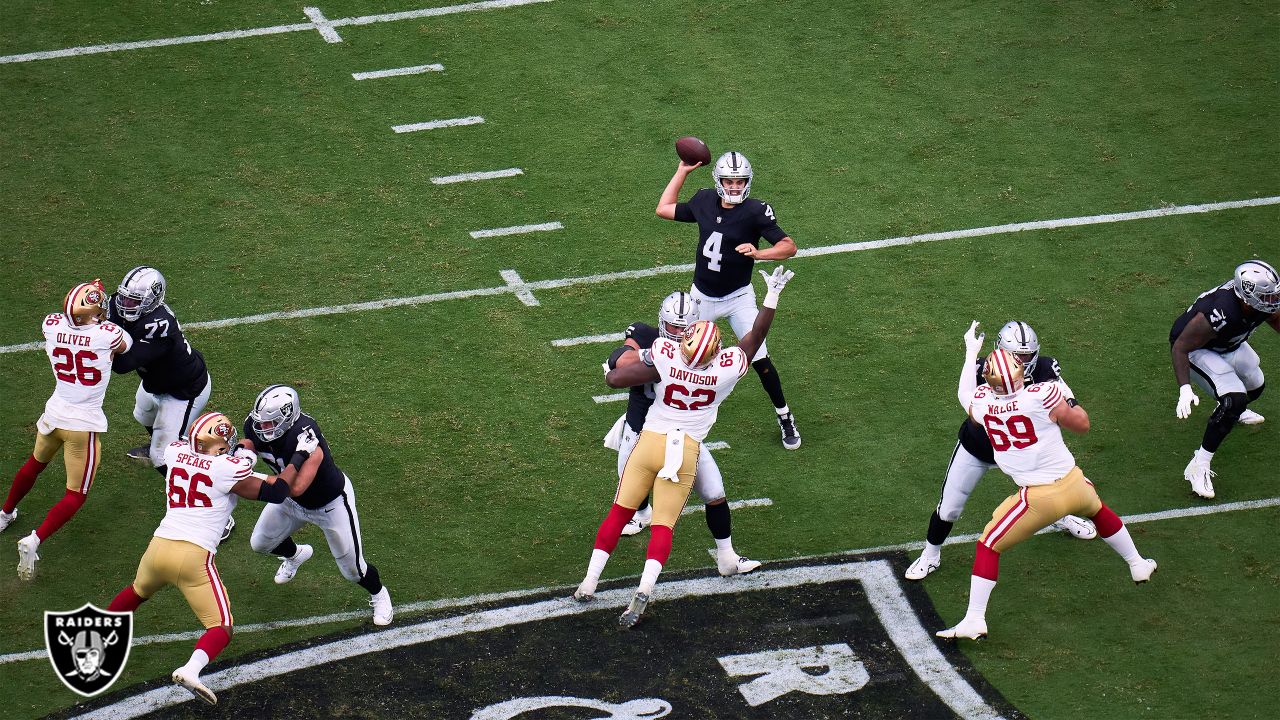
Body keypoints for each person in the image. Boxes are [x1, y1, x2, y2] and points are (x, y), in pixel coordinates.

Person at [575, 266, 794, 629]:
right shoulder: (725, 369)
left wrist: (616, 363)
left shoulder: (662, 353)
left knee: (622, 510)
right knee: (665, 524)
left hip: (649, 440)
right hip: (685, 448)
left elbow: (617, 376)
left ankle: (590, 581)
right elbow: (754, 337)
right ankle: (645, 587)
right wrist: (770, 297)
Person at [936, 346, 1157, 640]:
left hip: (1038, 498)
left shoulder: (983, 402)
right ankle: (1137, 563)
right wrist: (1067, 397)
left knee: (988, 545)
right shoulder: (1042, 394)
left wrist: (969, 354)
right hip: (1075, 482)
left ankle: (975, 619)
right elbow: (1082, 424)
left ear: (988, 380)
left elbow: (965, 395)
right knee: (1099, 511)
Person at [106, 411, 307, 705]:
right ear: (219, 446)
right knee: (221, 627)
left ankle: (100, 638)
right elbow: (277, 490)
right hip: (193, 556)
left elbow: (217, 458)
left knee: (137, 592)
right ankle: (191, 669)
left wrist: (234, 452)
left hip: (158, 547)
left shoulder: (175, 452)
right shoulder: (229, 468)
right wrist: (299, 456)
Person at [904, 321, 1096, 581]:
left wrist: (1069, 402)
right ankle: (930, 554)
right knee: (949, 508)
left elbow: (1064, 392)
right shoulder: (985, 370)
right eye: (1017, 355)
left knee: (1051, 489)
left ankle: (1059, 517)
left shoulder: (1044, 369)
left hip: (1024, 453)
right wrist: (971, 357)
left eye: (1027, 355)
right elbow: (967, 398)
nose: (1023, 361)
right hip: (980, 447)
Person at [603, 290, 761, 576]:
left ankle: (727, 557)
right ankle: (641, 515)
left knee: (714, 491)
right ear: (662, 322)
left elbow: (737, 355)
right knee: (626, 492)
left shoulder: (704, 347)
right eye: (672, 326)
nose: (677, 333)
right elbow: (618, 361)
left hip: (683, 437)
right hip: (641, 429)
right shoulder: (649, 337)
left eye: (683, 327)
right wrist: (652, 358)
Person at [656, 151, 801, 450]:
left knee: (759, 357)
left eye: (740, 181)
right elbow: (664, 208)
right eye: (729, 181)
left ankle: (784, 416)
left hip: (738, 297)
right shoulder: (704, 200)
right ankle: (669, 410)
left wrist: (759, 253)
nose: (734, 187)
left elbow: (789, 247)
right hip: (702, 298)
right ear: (718, 181)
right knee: (681, 356)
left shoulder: (756, 211)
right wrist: (682, 170)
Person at [2, 281, 132, 580]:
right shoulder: (108, 334)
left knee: (34, 465)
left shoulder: (50, 325)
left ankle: (5, 513)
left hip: (54, 413)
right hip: (82, 425)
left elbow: (71, 320)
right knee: (76, 494)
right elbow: (126, 347)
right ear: (94, 313)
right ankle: (34, 540)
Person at [237, 384, 393, 626]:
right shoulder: (255, 426)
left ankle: (379, 594)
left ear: (287, 418)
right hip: (289, 501)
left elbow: (296, 487)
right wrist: (240, 453)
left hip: (328, 503)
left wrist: (266, 474)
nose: (263, 429)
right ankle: (296, 555)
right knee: (260, 543)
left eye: (270, 423)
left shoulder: (307, 438)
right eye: (261, 423)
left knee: (352, 570)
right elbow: (248, 443)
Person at [1170, 259, 1279, 499]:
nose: (1272, 302)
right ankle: (1198, 465)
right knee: (1234, 401)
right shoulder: (1222, 311)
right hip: (1197, 349)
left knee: (1256, 386)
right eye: (1267, 297)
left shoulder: (1257, 305)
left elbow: (1275, 318)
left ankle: (1230, 413)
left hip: (1229, 344)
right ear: (1246, 297)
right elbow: (1180, 346)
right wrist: (1185, 388)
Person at [107, 266, 212, 477]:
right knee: (143, 414)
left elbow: (122, 365)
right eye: (125, 298)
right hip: (156, 381)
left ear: (151, 302)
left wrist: (101, 338)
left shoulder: (159, 324)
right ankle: (164, 439)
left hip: (184, 390)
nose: (126, 304)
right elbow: (106, 311)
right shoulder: (117, 303)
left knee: (160, 455)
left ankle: (187, 494)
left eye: (134, 301)